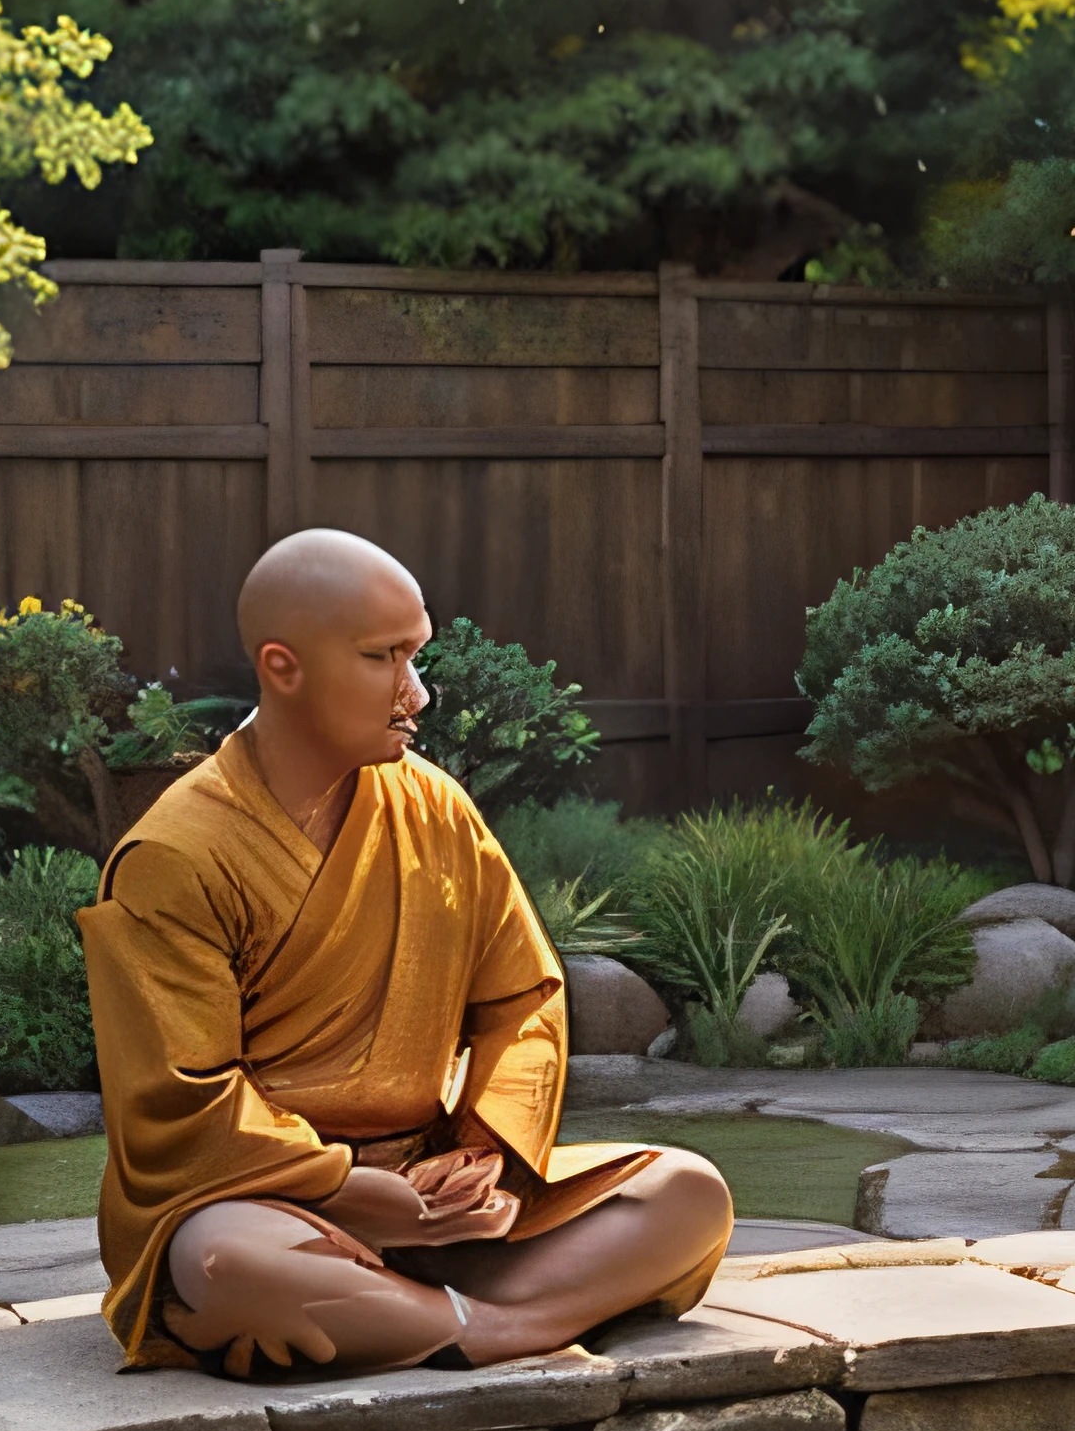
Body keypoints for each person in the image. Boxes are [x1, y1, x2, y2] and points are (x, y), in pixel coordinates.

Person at [80, 527, 735, 1377]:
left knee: (686, 1196)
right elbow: (180, 1102)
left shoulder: (435, 808)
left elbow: (521, 999)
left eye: (415, 656)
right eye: (383, 658)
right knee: (230, 1269)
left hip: (436, 1187)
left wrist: (483, 1156)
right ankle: (487, 1323)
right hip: (268, 1201)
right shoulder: (174, 856)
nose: (415, 694)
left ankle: (417, 1318)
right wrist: (347, 1191)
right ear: (283, 667)